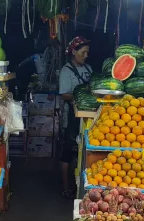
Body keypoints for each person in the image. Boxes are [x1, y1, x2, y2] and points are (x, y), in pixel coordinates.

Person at [58, 36, 92, 198]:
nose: (85, 56)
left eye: (87, 53)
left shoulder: (88, 68)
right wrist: (80, 97)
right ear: (73, 52)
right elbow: (64, 94)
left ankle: (80, 187)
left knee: (82, 152)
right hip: (72, 117)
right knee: (68, 153)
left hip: (86, 116)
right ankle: (65, 187)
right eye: (83, 52)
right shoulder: (66, 70)